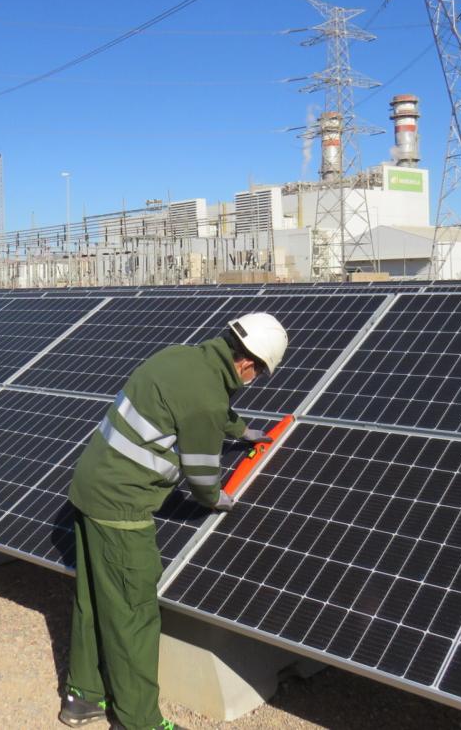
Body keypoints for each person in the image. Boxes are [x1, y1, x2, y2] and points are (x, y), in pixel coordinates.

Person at [60, 313, 289, 730]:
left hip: (88, 487)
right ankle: (140, 721)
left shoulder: (179, 357)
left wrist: (240, 430)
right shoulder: (207, 396)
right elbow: (202, 474)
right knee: (133, 613)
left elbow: (199, 407)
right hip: (121, 509)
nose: (256, 379)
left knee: (94, 598)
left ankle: (83, 696)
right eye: (260, 373)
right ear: (247, 364)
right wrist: (218, 499)